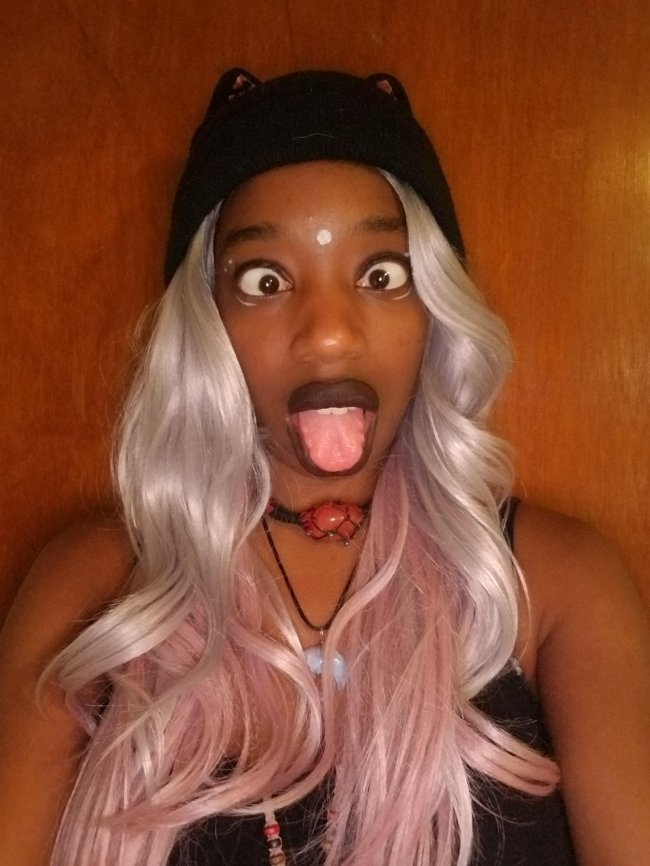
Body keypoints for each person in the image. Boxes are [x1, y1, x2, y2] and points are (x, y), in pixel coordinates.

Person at [0, 68, 648, 866]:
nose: (329, 334)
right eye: (264, 281)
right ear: (206, 322)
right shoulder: (92, 586)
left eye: (382, 275)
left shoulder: (555, 584)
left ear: (435, 308)